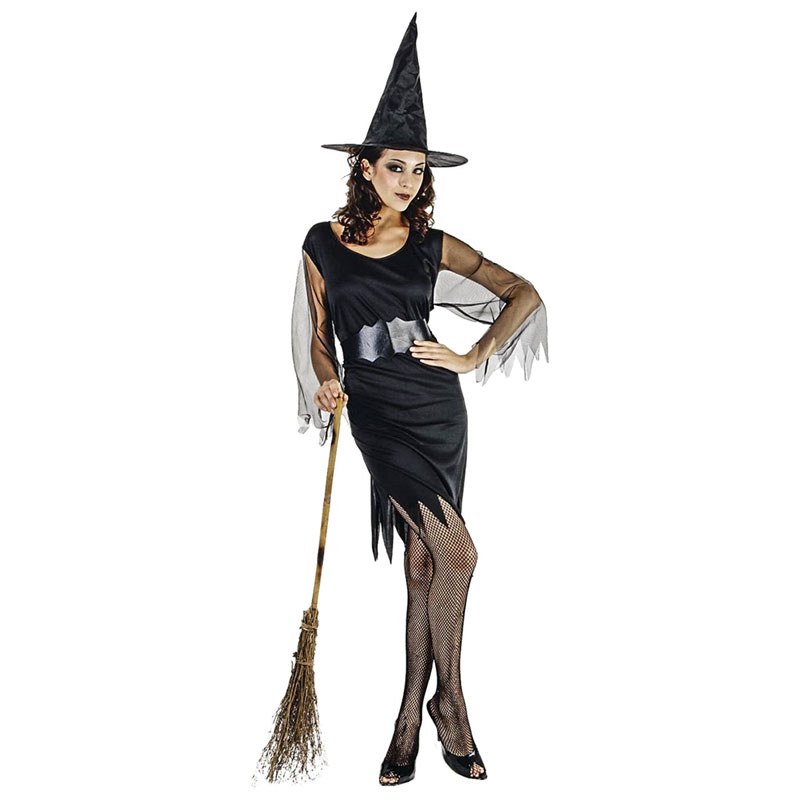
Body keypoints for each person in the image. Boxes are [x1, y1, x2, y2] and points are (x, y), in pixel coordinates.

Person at [291, 14, 548, 785]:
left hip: (439, 410)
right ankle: (451, 705)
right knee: (459, 553)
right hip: (377, 415)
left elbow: (523, 292)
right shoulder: (322, 242)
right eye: (395, 167)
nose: (407, 181)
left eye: (417, 171)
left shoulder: (432, 245)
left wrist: (470, 355)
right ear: (365, 167)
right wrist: (325, 377)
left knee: (427, 561)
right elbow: (319, 334)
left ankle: (410, 714)